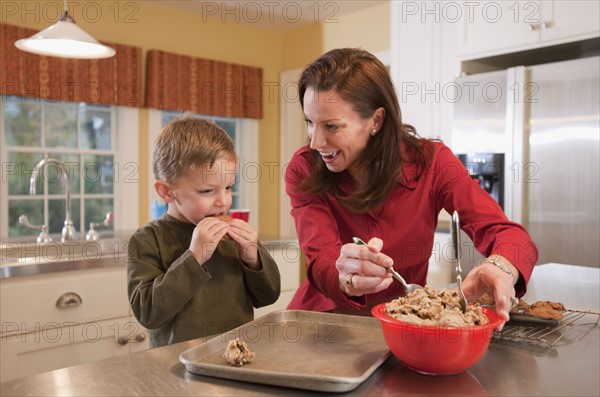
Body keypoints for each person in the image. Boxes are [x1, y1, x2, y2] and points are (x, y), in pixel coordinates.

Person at [285, 48, 538, 327]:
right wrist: (344, 276)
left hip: (406, 323)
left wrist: (500, 266)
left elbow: (509, 236)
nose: (315, 142)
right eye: (310, 123)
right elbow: (321, 259)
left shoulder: (433, 163)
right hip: (321, 324)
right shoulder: (303, 169)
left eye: (331, 126)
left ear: (376, 120)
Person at [127, 116, 280, 348]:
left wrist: (253, 258)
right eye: (207, 190)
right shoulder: (147, 240)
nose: (223, 202)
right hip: (175, 367)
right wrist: (194, 258)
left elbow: (269, 296)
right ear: (167, 192)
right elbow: (148, 313)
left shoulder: (232, 237)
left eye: (228, 187)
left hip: (236, 357)